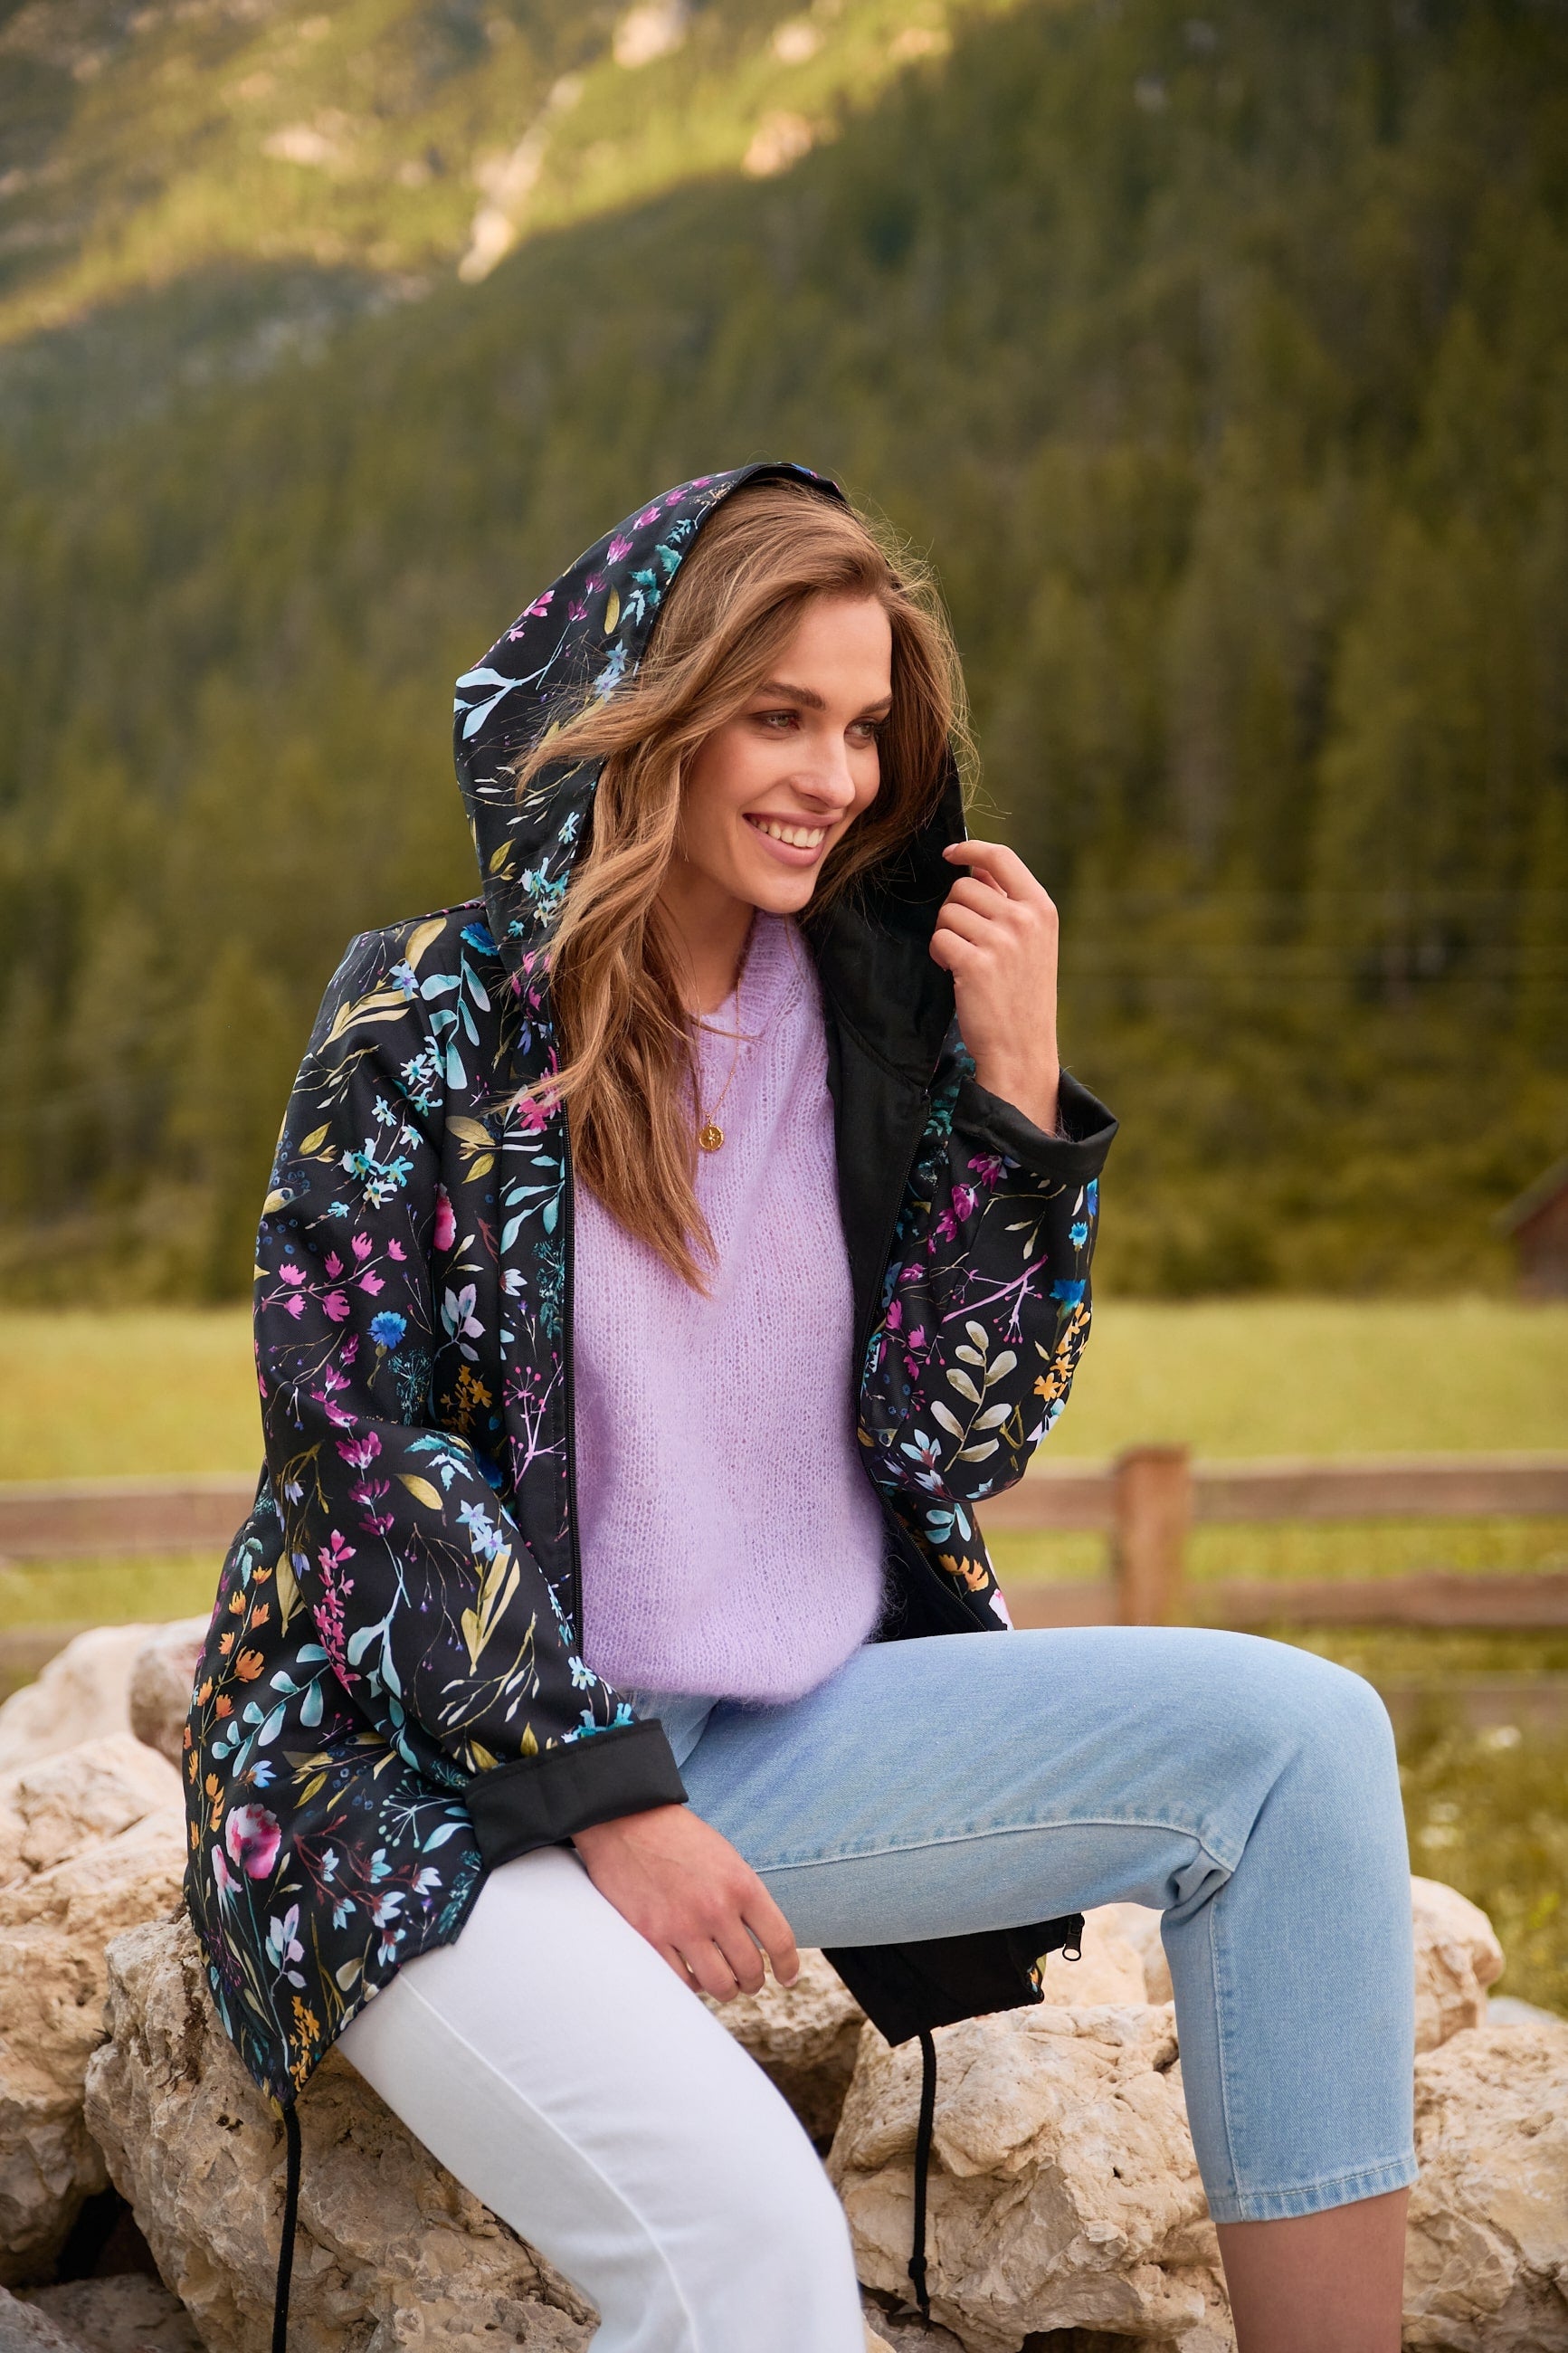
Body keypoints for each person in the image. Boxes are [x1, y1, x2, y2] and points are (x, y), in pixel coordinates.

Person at [184, 462, 1416, 2353]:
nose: (833, 775)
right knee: (750, 2244)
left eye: (862, 728)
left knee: (1302, 1743)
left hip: (761, 1744)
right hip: (411, 1783)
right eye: (779, 715)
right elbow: (357, 1444)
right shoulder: (430, 1012)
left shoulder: (868, 1019)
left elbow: (948, 1440)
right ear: (657, 708)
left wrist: (1014, 1099)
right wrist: (605, 1797)